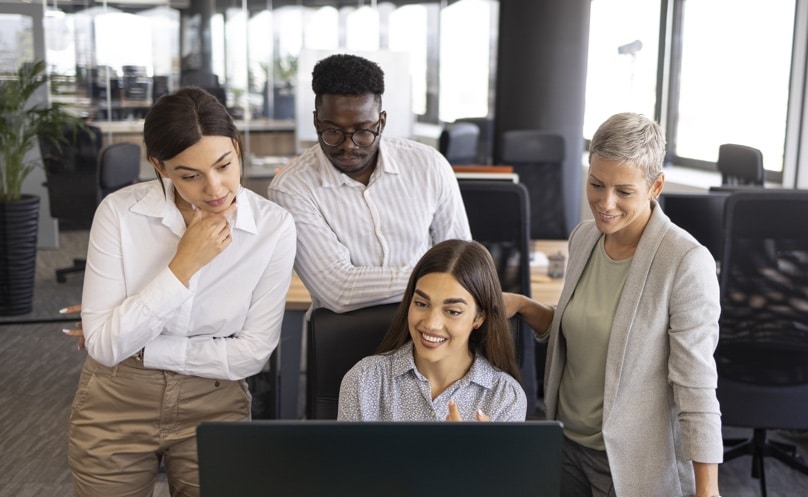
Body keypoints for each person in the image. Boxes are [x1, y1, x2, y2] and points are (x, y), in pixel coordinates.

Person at [67, 87, 297, 497]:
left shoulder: (272, 227)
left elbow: (253, 353)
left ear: (237, 147)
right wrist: (184, 264)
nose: (215, 188)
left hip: (214, 401)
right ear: (160, 166)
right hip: (117, 397)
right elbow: (104, 347)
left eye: (225, 165)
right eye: (190, 175)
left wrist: (144, 346)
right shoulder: (119, 214)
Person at [504, 113, 723, 497]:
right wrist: (523, 305)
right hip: (564, 444)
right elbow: (584, 328)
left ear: (655, 185)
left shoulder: (685, 261)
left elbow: (697, 385)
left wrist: (708, 492)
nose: (605, 204)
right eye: (596, 184)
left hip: (627, 462)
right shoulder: (585, 237)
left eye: (624, 191)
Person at [268, 53, 471, 313]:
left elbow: (462, 260)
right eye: (332, 131)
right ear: (316, 122)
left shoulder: (429, 165)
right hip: (343, 336)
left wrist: (449, 277)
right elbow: (337, 289)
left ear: (382, 122)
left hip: (430, 328)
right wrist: (438, 279)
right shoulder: (291, 187)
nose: (348, 145)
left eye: (363, 131)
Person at [338, 239, 526, 422]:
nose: (431, 324)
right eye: (421, 304)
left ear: (479, 317)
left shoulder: (506, 397)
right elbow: (346, 455)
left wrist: (478, 453)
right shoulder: (363, 381)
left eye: (453, 311)